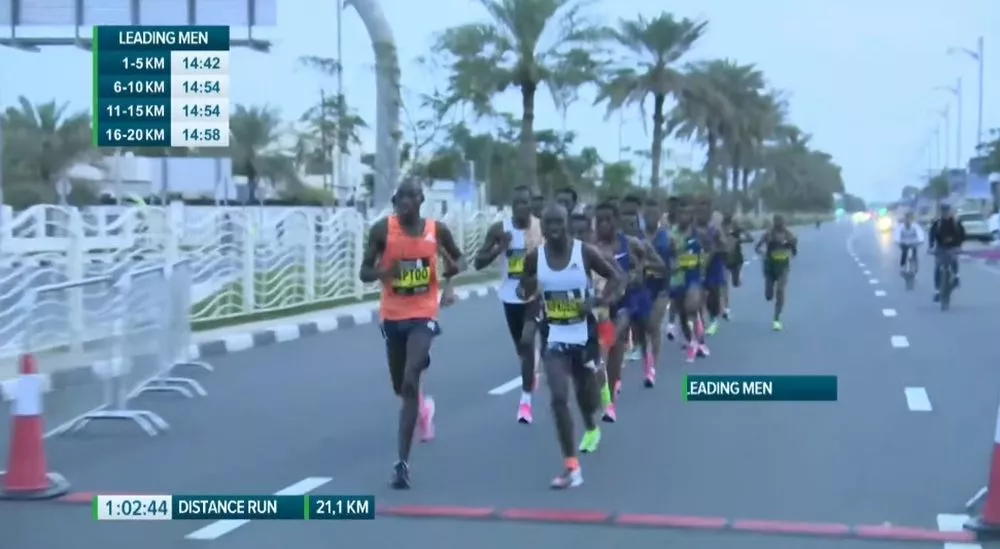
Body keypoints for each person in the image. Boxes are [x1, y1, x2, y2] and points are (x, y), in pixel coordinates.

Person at [359, 180, 463, 489]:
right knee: (400, 386)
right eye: (399, 198)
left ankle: (402, 463)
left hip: (424, 312)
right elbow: (364, 272)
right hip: (393, 315)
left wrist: (451, 276)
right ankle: (423, 405)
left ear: (421, 200)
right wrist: (382, 272)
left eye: (410, 197)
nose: (404, 202)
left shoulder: (436, 230)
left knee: (410, 376)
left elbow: (459, 259)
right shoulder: (382, 230)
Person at [517, 204, 624, 489]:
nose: (554, 228)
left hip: (584, 337)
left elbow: (616, 277)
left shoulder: (585, 253)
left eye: (558, 223)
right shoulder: (535, 258)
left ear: (566, 224)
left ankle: (591, 425)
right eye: (548, 223)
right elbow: (523, 291)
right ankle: (571, 466)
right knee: (558, 397)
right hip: (554, 337)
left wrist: (600, 300)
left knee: (586, 398)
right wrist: (527, 288)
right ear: (543, 227)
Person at [474, 185, 541, 424]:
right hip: (510, 297)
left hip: (535, 296)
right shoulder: (500, 229)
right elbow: (478, 263)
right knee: (522, 349)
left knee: (527, 339)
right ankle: (531, 366)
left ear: (532, 205)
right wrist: (499, 248)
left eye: (525, 202)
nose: (521, 207)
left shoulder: (541, 228)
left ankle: (525, 402)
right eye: (517, 203)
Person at [594, 202, 660, 421]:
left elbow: (647, 261)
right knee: (605, 354)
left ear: (616, 221)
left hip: (626, 301)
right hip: (601, 304)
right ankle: (607, 400)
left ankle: (610, 401)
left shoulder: (630, 243)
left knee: (616, 343)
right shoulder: (590, 247)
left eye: (608, 220)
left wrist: (636, 273)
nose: (603, 224)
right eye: (599, 220)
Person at [670, 204, 709, 362]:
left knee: (692, 308)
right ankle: (693, 341)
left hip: (694, 276)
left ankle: (699, 342)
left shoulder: (699, 234)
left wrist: (703, 266)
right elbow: (668, 255)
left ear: (691, 217)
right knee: (683, 314)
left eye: (687, 214)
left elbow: (709, 250)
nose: (683, 217)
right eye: (681, 214)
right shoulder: (671, 235)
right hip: (677, 278)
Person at [642, 198, 673, 367]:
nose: (651, 217)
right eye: (647, 214)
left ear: (660, 216)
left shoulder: (667, 238)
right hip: (643, 287)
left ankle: (653, 363)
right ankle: (645, 355)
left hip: (662, 287)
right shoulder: (637, 237)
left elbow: (673, 264)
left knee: (654, 324)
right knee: (645, 326)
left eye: (654, 214)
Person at [754, 214, 798, 331]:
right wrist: (763, 254)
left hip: (783, 267)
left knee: (780, 290)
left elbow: (794, 251)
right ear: (774, 223)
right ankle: (769, 292)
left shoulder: (788, 235)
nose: (781, 224)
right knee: (769, 295)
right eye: (778, 222)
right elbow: (757, 247)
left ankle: (777, 318)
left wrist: (790, 251)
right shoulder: (768, 235)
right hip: (770, 266)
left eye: (782, 222)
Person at [927, 203, 966, 301]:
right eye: (943, 211)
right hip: (940, 247)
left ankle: (956, 276)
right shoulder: (937, 223)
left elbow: (962, 234)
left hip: (953, 246)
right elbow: (932, 235)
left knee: (954, 259)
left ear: (950, 212)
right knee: (937, 266)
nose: (945, 213)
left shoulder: (955, 222)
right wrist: (931, 246)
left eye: (947, 211)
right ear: (941, 212)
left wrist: (959, 246)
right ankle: (937, 291)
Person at [701, 211, 729, 336]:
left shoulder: (719, 232)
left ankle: (713, 320)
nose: (715, 222)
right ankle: (699, 320)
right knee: (699, 292)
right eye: (714, 220)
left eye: (718, 220)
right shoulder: (703, 229)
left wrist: (718, 247)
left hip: (714, 265)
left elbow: (725, 248)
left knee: (713, 292)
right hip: (701, 262)